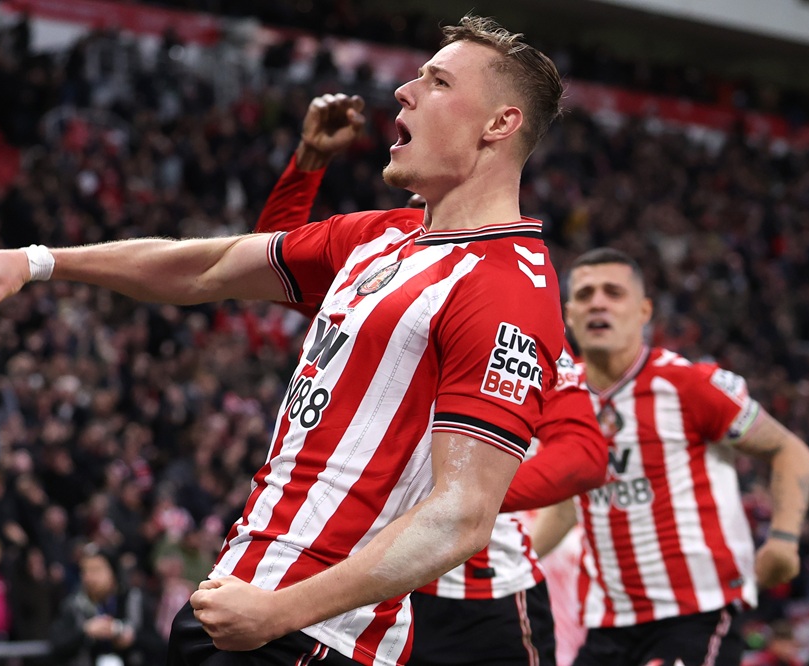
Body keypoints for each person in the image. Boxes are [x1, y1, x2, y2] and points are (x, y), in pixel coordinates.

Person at [0, 15, 567, 666]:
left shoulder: (508, 288)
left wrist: (280, 612)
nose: (403, 92)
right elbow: (209, 266)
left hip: (312, 635)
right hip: (237, 598)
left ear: (500, 123)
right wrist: (36, 262)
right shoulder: (380, 237)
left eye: (437, 81)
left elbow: (462, 516)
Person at [253, 92, 608, 666]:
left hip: (480, 598)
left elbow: (586, 455)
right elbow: (272, 263)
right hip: (371, 584)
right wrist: (309, 164)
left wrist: (455, 496)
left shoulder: (510, 307)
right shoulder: (384, 283)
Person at [525, 248, 809, 666]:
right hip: (608, 619)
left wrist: (785, 539)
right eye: (585, 294)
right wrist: (518, 565)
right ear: (569, 315)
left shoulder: (688, 385)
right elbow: (571, 504)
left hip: (696, 612)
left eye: (613, 292)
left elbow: (789, 449)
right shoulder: (563, 399)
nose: (598, 303)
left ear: (644, 311)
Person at [49, 546, 165, 666]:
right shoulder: (73, 605)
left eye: (96, 570)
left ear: (113, 573)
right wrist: (85, 633)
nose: (89, 577)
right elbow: (57, 646)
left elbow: (159, 646)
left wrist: (132, 638)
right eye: (84, 571)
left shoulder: (134, 600)